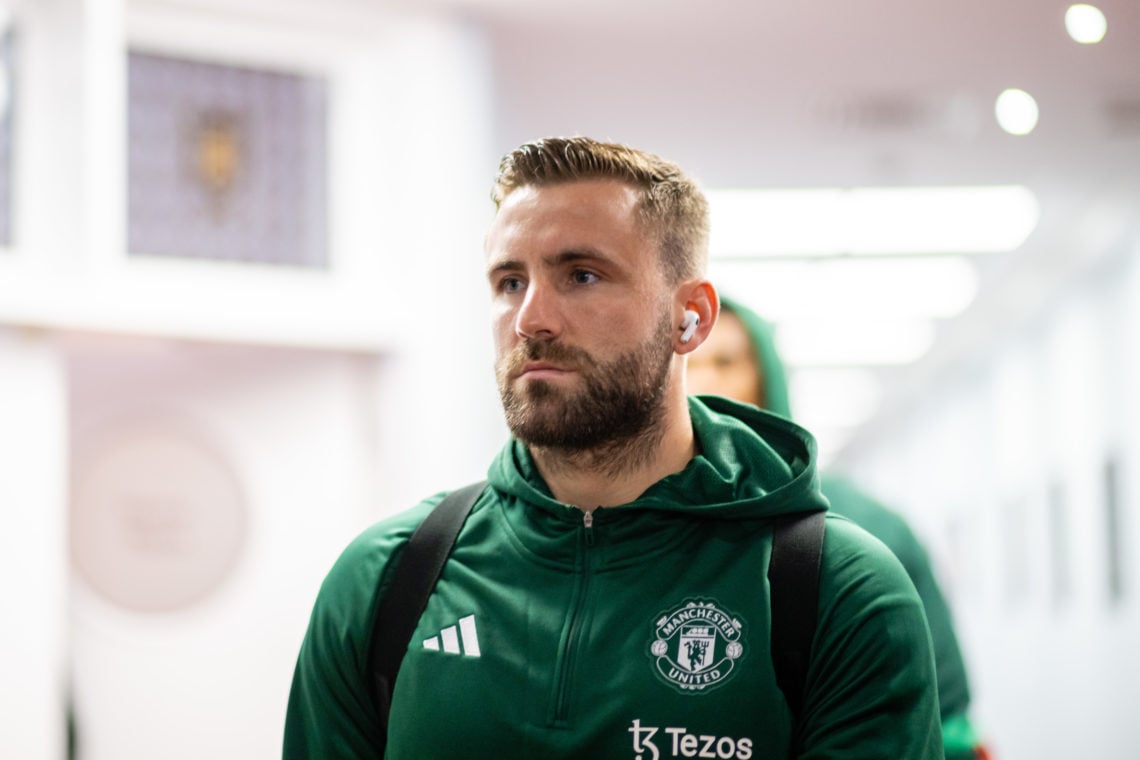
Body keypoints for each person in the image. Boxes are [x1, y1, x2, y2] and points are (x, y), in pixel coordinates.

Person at [284, 137, 942, 758]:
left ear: (692, 318)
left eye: (582, 275)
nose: (531, 319)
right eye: (509, 282)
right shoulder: (385, 581)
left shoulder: (836, 594)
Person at [687, 297, 989, 760]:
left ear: (767, 376)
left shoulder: (863, 529)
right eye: (690, 361)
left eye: (726, 361)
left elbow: (945, 716)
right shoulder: (643, 527)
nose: (705, 379)